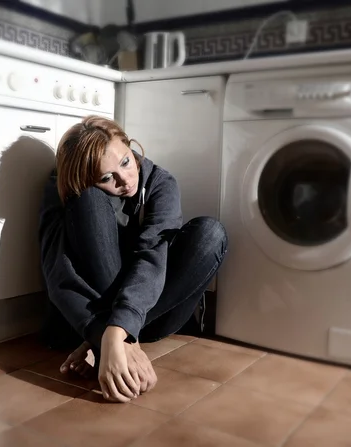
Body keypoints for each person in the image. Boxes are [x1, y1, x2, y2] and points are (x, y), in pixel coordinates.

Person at [38, 115, 228, 403]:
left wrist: (113, 334)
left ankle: (107, 341)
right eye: (106, 178)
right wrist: (105, 329)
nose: (125, 180)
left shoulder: (160, 183)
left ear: (129, 145)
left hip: (154, 311)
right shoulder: (62, 186)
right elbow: (57, 272)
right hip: (91, 310)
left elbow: (152, 257)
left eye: (126, 161)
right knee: (86, 200)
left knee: (211, 233)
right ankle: (113, 338)